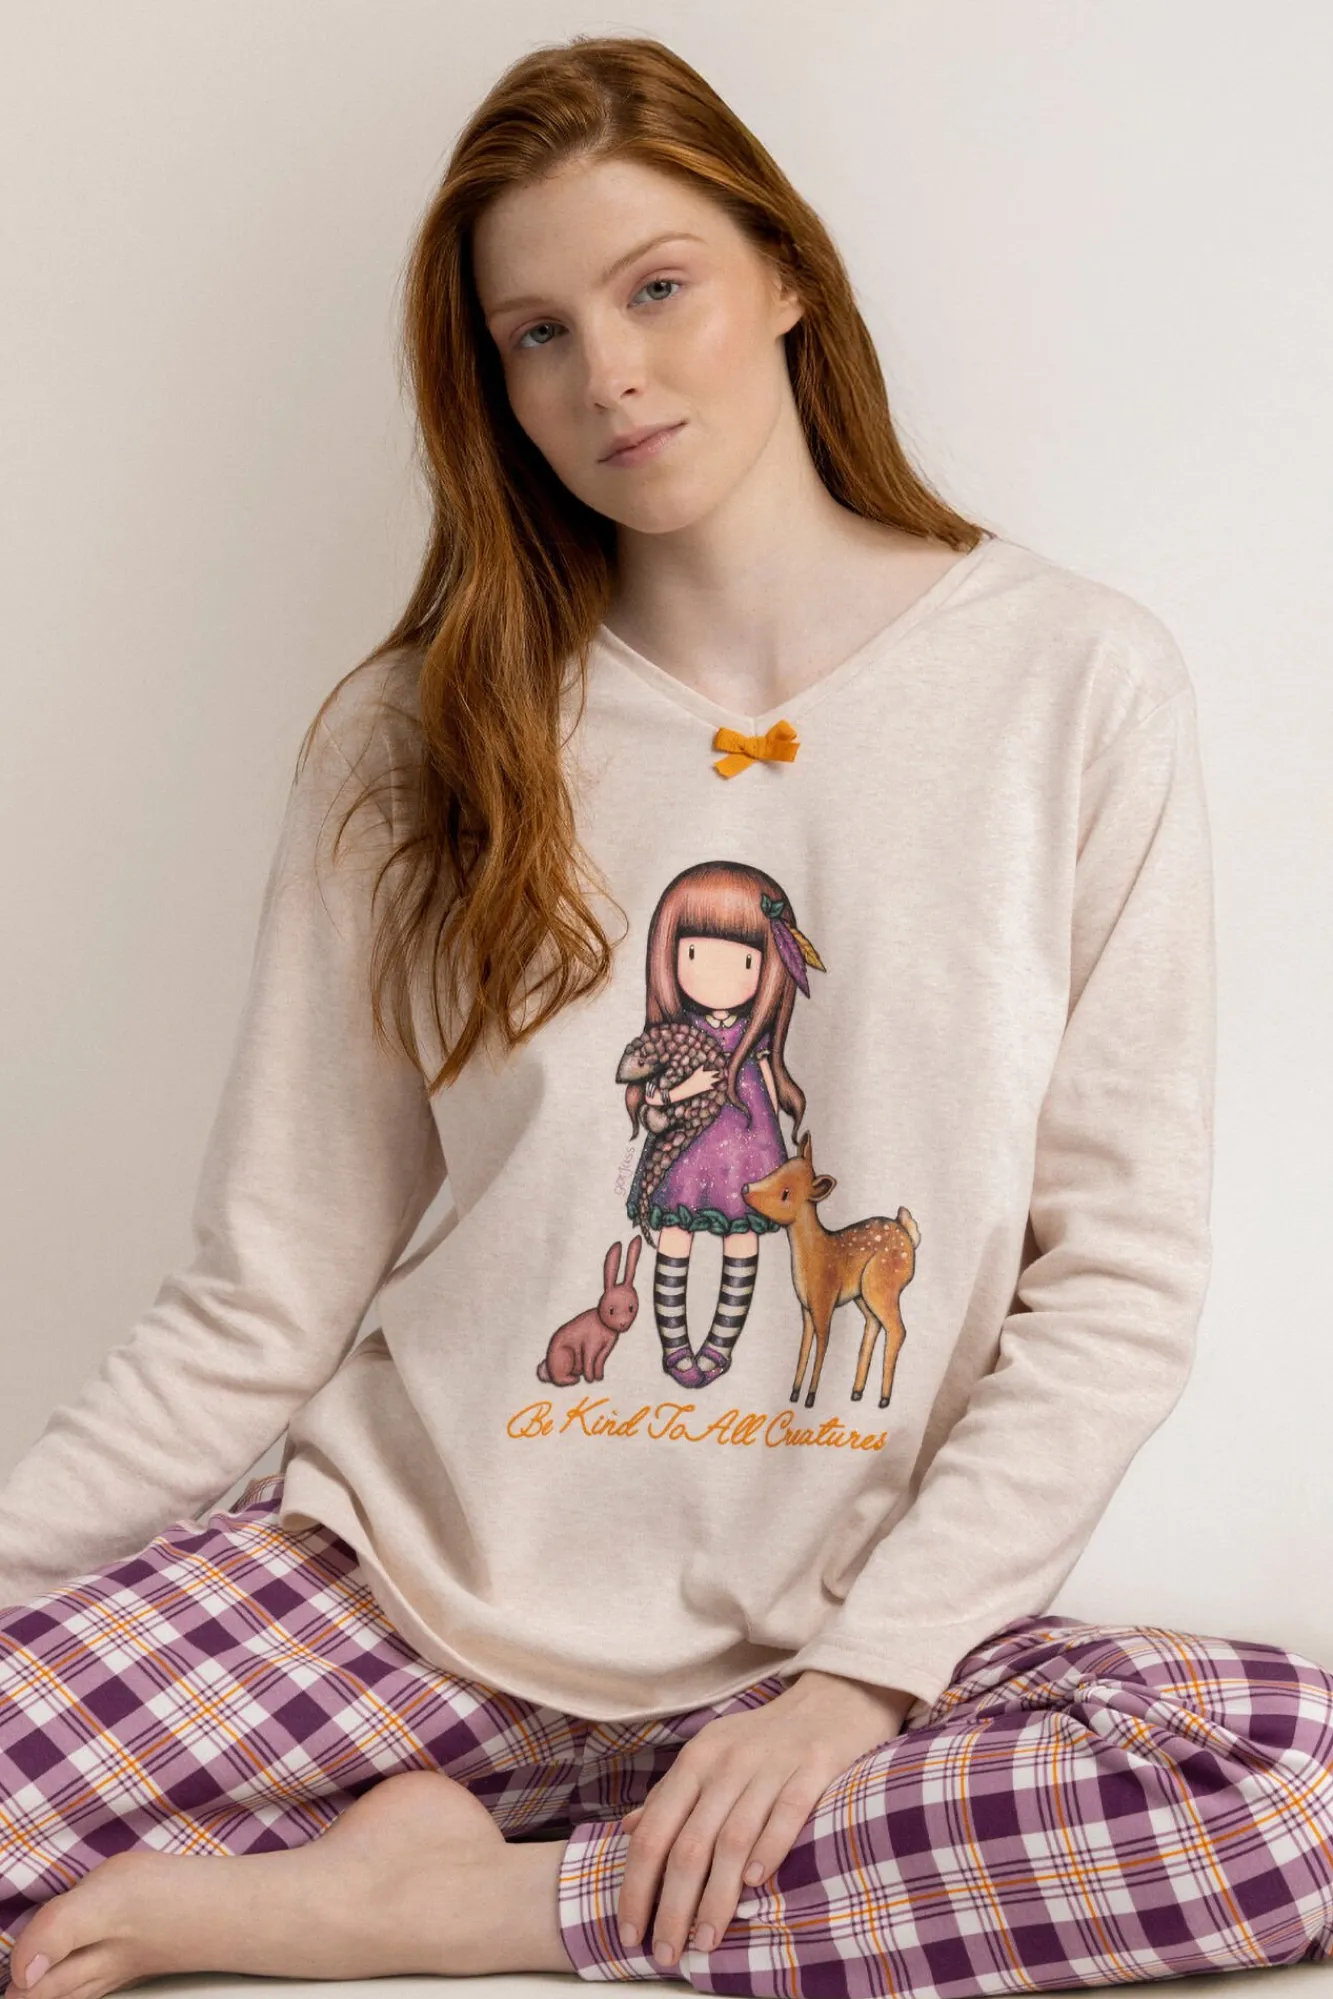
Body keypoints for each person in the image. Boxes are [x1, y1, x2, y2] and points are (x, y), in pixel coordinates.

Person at [2, 30, 1331, 1999]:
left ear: (785, 272)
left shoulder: (1071, 683)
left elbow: (1116, 1280)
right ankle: (572, 1871)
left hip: (837, 1653)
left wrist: (863, 1683)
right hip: (404, 1604)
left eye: (656, 288)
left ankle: (460, 1903)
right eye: (535, 335)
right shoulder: (415, 736)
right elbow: (260, 1298)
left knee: (1292, 1791)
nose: (607, 374)